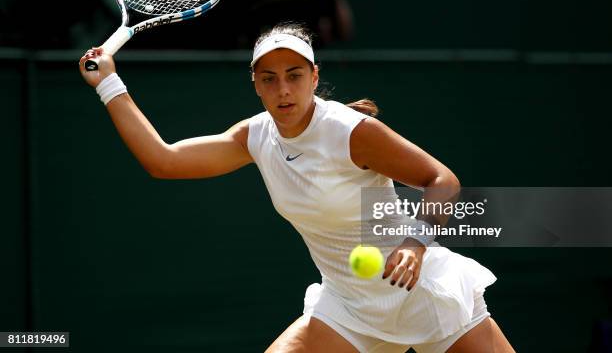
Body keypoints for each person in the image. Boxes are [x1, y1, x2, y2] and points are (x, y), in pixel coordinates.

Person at [78, 23, 515, 353]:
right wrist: (109, 84)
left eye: (293, 74)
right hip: (348, 307)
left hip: (422, 292)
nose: (283, 89)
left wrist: (416, 243)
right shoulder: (255, 136)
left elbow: (443, 180)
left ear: (313, 75)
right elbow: (164, 161)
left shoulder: (352, 132)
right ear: (256, 85)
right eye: (269, 78)